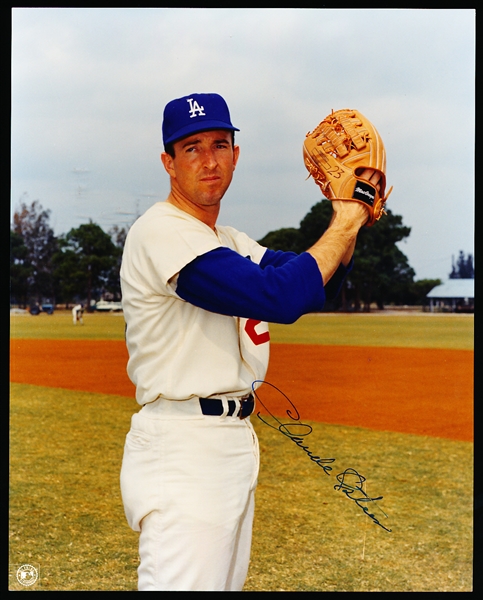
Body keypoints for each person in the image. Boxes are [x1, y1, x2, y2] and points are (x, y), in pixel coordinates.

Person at [119, 93, 377, 591]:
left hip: (229, 443)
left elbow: (314, 285)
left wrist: (355, 213)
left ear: (237, 155)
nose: (210, 160)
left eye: (220, 144)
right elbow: (275, 297)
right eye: (191, 148)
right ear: (168, 163)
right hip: (183, 448)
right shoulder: (159, 231)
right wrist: (345, 219)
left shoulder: (231, 241)